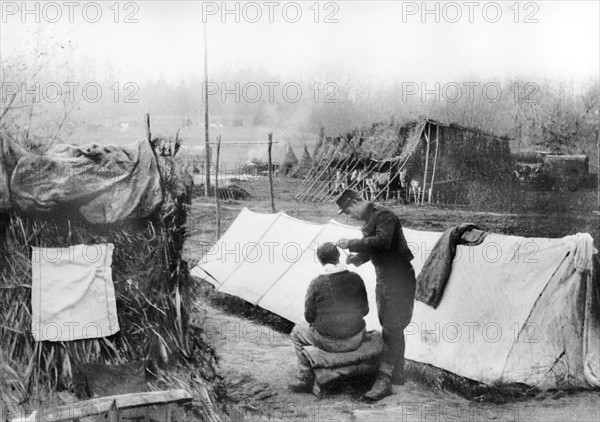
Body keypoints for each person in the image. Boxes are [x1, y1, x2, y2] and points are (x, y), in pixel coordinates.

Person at [335, 189, 416, 401]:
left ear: (355, 202)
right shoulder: (369, 219)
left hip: (399, 280)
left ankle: (384, 381)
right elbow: (374, 250)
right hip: (384, 279)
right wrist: (359, 258)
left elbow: (382, 242)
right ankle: (397, 374)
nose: (349, 216)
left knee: (392, 328)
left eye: (348, 211)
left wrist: (352, 242)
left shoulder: (384, 216)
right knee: (390, 326)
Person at [289, 242, 369, 392]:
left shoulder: (316, 283)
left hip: (328, 342)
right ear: (338, 256)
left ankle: (304, 377)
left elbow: (309, 317)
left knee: (296, 331)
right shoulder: (356, 278)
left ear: (320, 260)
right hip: (355, 339)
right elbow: (365, 311)